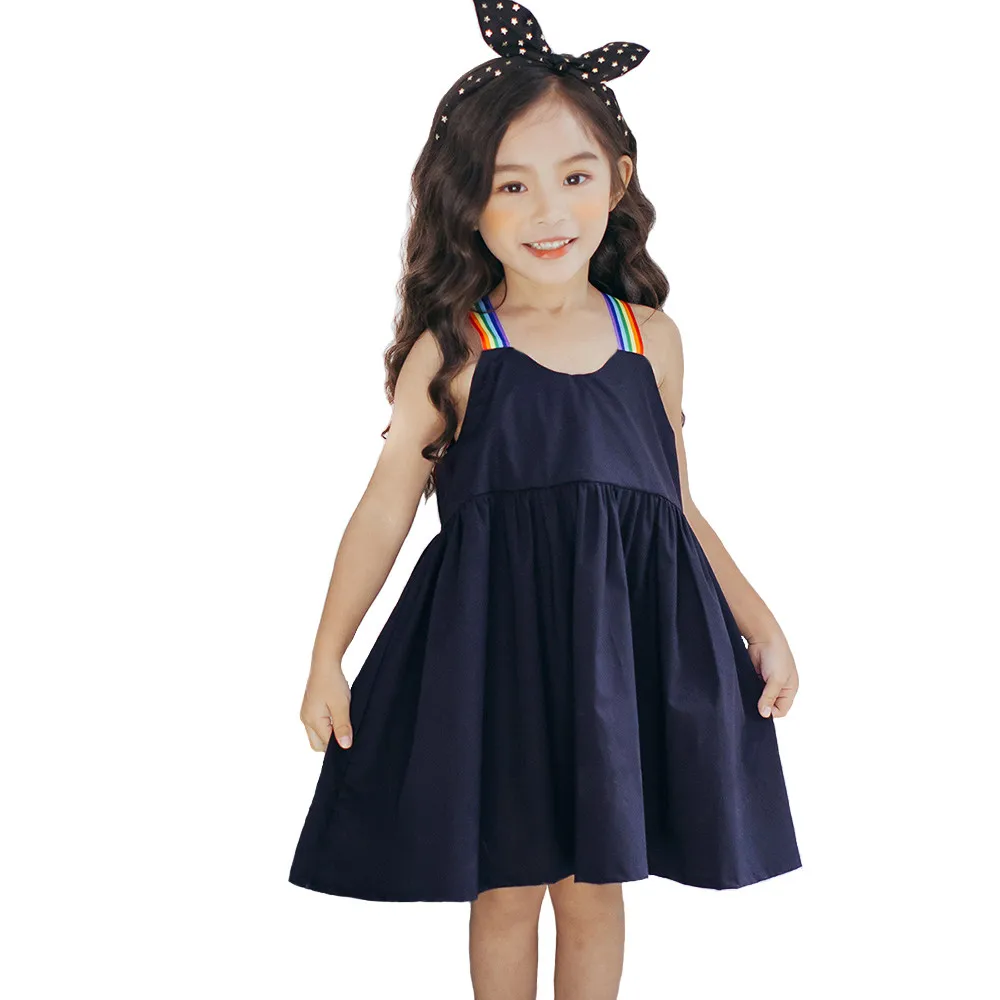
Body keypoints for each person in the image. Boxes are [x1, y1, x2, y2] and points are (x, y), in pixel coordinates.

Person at [289, 3, 802, 997]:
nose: (547, 212)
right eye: (510, 185)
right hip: (496, 652)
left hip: (618, 652)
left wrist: (761, 622)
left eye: (573, 177)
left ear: (617, 179)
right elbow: (387, 506)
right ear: (468, 203)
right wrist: (326, 653)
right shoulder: (456, 349)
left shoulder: (652, 339)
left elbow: (675, 504)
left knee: (596, 887)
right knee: (507, 885)